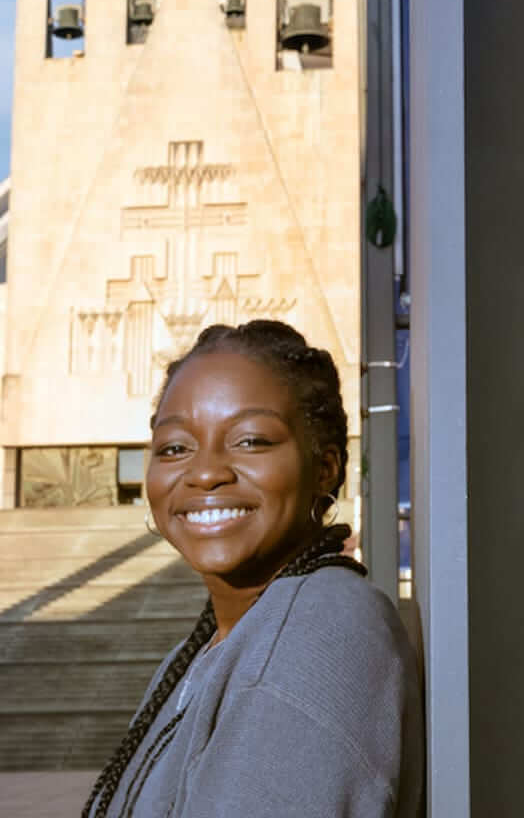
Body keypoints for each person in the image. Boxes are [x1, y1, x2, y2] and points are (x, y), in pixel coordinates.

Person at [82, 320, 423, 818]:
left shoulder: (318, 632)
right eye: (175, 447)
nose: (204, 472)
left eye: (251, 441)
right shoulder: (209, 646)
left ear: (325, 468)